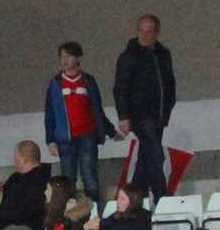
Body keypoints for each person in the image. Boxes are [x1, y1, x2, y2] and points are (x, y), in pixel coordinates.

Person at [113, 14, 177, 199]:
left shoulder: (163, 54)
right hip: (140, 115)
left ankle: (134, 196)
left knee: (145, 158)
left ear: (156, 33)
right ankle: (161, 196)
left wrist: (168, 107)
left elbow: (169, 83)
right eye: (141, 31)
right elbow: (120, 88)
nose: (144, 35)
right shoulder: (129, 57)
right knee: (156, 154)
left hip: (158, 115)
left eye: (148, 32)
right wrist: (123, 116)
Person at [41, 43, 115, 197]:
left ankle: (94, 207)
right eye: (62, 57)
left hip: (87, 135)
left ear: (78, 57)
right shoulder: (55, 83)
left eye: (68, 56)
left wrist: (111, 131)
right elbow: (50, 114)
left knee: (89, 176)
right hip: (65, 139)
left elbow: (97, 110)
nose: (64, 60)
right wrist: (51, 140)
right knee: (68, 179)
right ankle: (71, 209)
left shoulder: (88, 81)